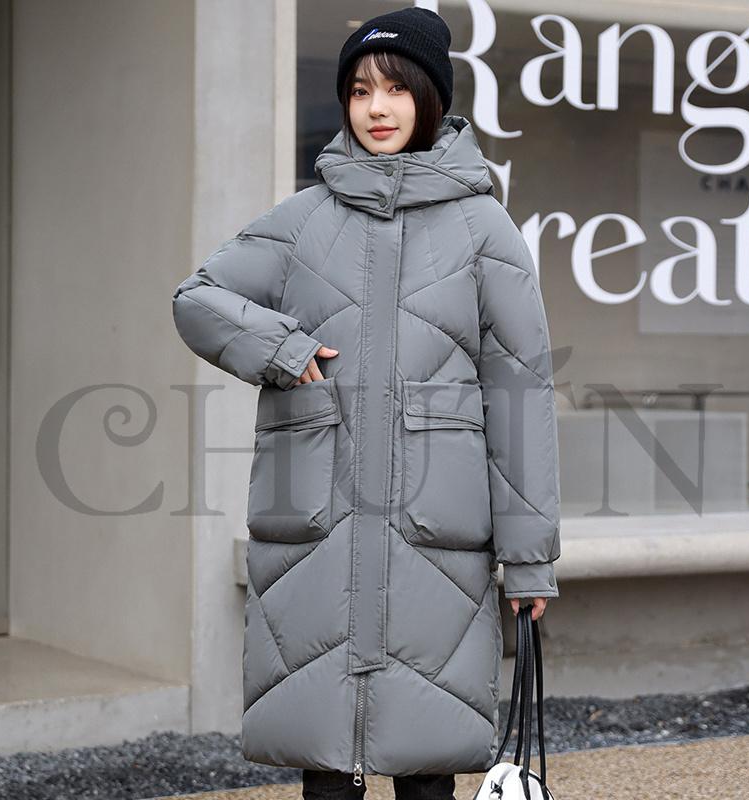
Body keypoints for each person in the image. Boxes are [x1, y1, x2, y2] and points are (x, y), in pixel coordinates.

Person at [172, 7, 560, 800]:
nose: (376, 108)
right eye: (358, 90)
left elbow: (519, 395)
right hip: (317, 537)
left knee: (426, 768)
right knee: (325, 771)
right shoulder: (303, 220)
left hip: (435, 544)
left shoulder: (484, 229)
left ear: (430, 96)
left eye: (395, 89)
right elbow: (198, 299)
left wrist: (529, 559)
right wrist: (282, 349)